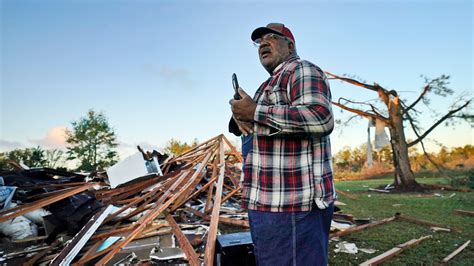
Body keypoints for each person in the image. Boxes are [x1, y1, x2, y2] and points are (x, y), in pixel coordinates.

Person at [229, 23, 336, 265]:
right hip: (268, 203)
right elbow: (258, 126)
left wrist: (255, 111)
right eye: (259, 41)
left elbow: (320, 117)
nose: (263, 44)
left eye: (271, 37)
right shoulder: (269, 84)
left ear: (290, 45)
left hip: (293, 206)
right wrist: (241, 116)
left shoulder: (302, 70)